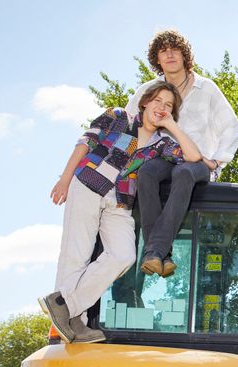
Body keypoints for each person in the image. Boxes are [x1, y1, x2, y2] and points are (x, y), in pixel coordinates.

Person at [40, 82, 204, 342]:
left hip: (120, 202)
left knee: (124, 255)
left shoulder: (162, 145)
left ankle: (64, 305)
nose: (161, 107)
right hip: (89, 186)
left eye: (169, 105)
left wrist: (172, 126)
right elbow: (85, 143)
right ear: (145, 102)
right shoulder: (118, 117)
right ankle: (71, 324)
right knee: (77, 255)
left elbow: (194, 157)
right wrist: (65, 178)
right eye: (158, 101)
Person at [125, 30, 238, 277]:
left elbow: (232, 127)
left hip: (196, 162)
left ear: (184, 55)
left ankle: (154, 251)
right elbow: (129, 125)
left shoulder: (206, 88)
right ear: (157, 59)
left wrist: (216, 161)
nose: (169, 54)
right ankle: (160, 256)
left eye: (174, 49)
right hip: (162, 156)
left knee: (184, 172)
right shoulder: (148, 91)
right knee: (145, 173)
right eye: (163, 51)